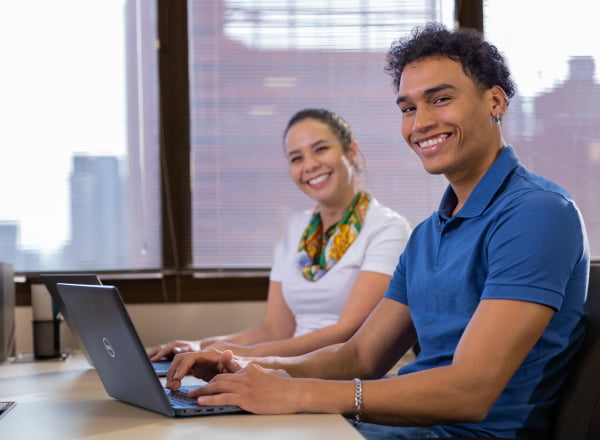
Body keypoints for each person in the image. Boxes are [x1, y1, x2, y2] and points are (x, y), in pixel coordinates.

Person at [165, 23, 590, 440]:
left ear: (495, 101)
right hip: (400, 424)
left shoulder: (537, 213)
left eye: (440, 99)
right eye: (408, 109)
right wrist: (249, 368)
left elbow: (469, 391)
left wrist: (295, 391)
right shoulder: (427, 233)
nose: (420, 122)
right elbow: (361, 354)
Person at [149, 108, 411, 360]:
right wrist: (199, 346)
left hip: (337, 371)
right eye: (296, 158)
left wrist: (239, 355)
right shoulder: (295, 230)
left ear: (351, 152)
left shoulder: (388, 228)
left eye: (320, 149)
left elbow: (349, 331)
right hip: (283, 366)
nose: (309, 165)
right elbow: (275, 331)